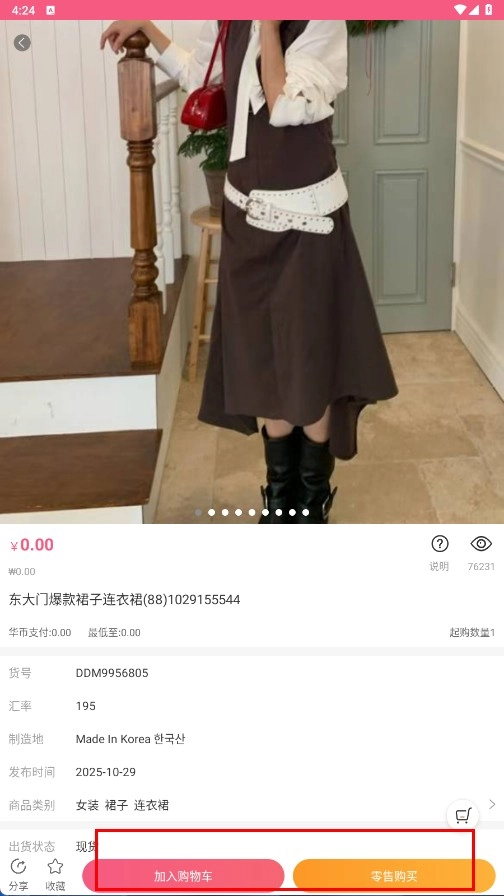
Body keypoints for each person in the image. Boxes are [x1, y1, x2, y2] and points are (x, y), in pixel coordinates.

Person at [101, 20, 398, 524]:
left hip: (307, 224)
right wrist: (148, 29)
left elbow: (284, 106)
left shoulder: (321, 21)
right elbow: (200, 72)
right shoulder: (232, 18)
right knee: (266, 361)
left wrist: (269, 25)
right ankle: (280, 502)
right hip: (246, 220)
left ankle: (311, 504)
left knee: (310, 363)